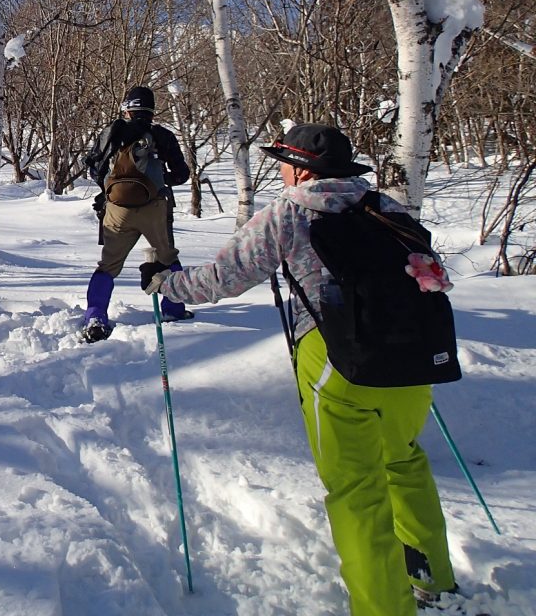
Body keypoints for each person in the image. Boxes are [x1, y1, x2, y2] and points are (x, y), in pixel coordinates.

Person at [148, 123, 458, 616]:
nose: (280, 171)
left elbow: (222, 279)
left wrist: (168, 283)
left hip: (336, 361)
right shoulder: (387, 208)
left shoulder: (289, 213)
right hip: (415, 361)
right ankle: (434, 579)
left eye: (283, 163)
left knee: (357, 489)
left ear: (300, 168)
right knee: (403, 461)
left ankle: (384, 608)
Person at [80, 85, 192, 342]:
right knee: (167, 257)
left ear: (127, 108)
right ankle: (173, 309)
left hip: (117, 210)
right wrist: (158, 180)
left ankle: (95, 316)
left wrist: (113, 189)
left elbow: (94, 168)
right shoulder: (161, 135)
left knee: (107, 265)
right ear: (151, 110)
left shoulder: (111, 132)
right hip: (154, 207)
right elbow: (182, 174)